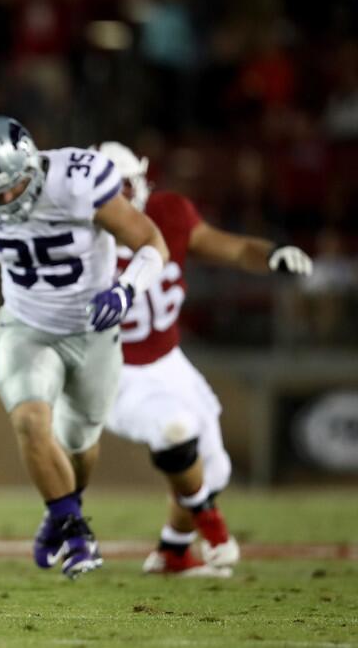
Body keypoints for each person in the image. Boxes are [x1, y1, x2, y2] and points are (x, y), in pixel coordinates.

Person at [0, 115, 170, 578]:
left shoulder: (77, 181)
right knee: (31, 420)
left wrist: (127, 290)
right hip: (26, 326)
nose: (4, 200)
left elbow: (152, 243)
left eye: (11, 188)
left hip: (94, 331)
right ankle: (76, 532)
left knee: (80, 445)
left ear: (32, 167)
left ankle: (58, 511)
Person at [97, 141, 314, 577]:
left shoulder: (169, 214)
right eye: (110, 187)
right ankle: (213, 529)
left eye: (127, 184)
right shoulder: (74, 233)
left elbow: (230, 248)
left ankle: (172, 553)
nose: (123, 195)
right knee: (174, 431)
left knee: (214, 469)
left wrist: (271, 254)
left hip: (169, 359)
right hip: (111, 367)